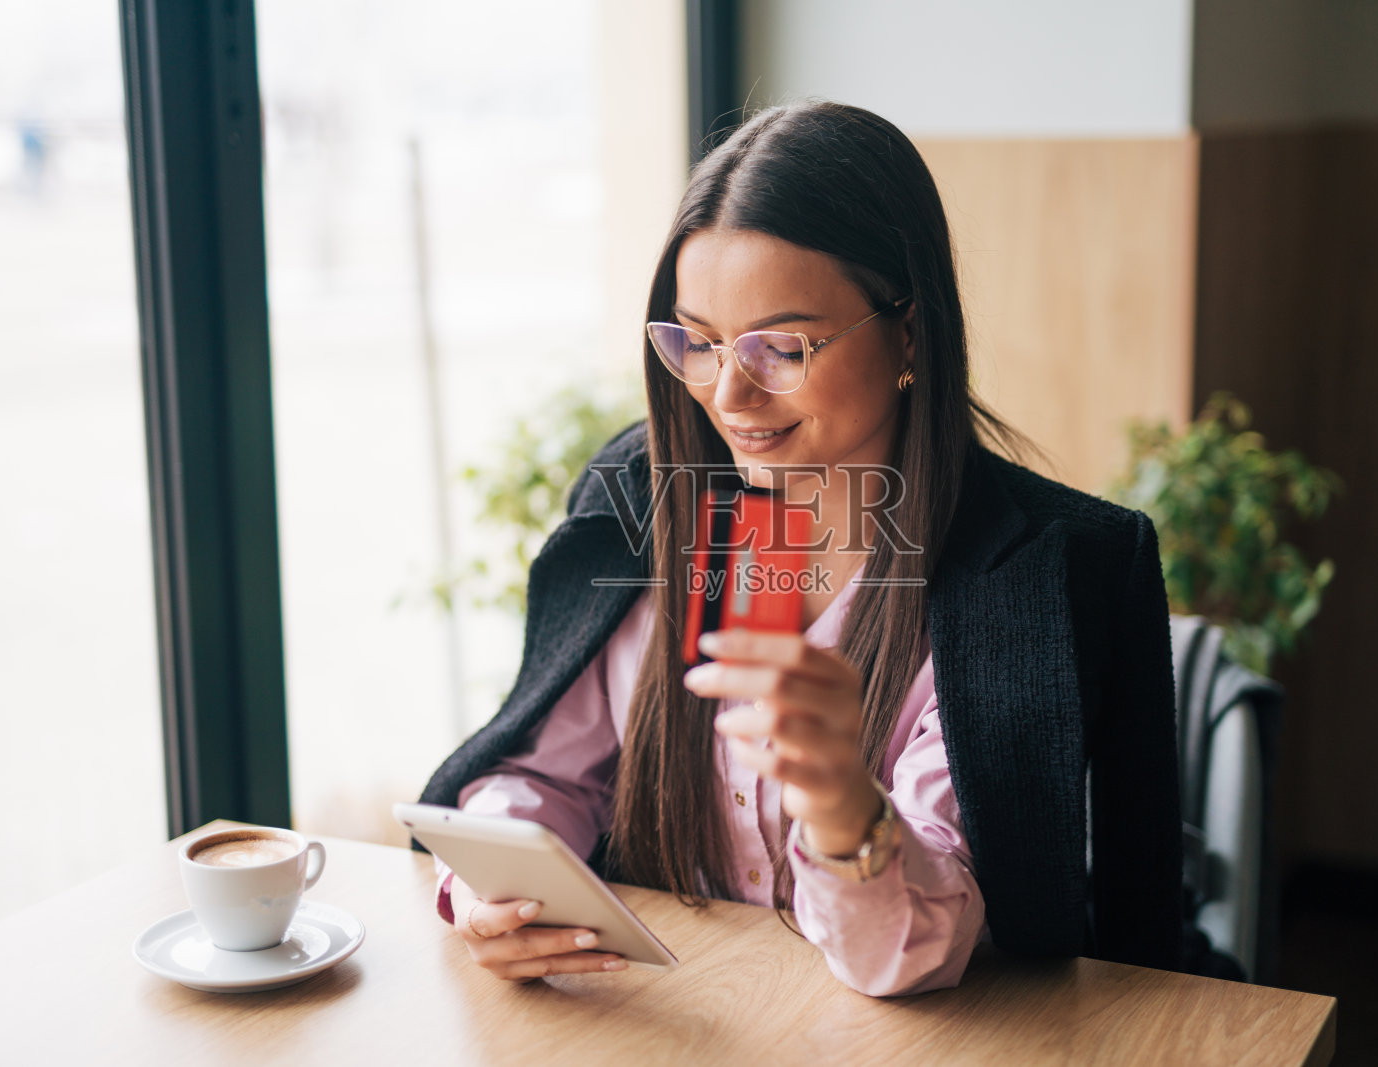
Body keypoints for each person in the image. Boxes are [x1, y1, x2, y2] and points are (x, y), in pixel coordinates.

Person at [417, 100, 1183, 996]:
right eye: (694, 343)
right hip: (680, 1019)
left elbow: (922, 951)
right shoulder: (642, 496)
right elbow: (542, 771)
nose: (730, 394)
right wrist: (491, 887)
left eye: (780, 346)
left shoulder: (1036, 574)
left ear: (907, 330)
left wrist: (842, 804)